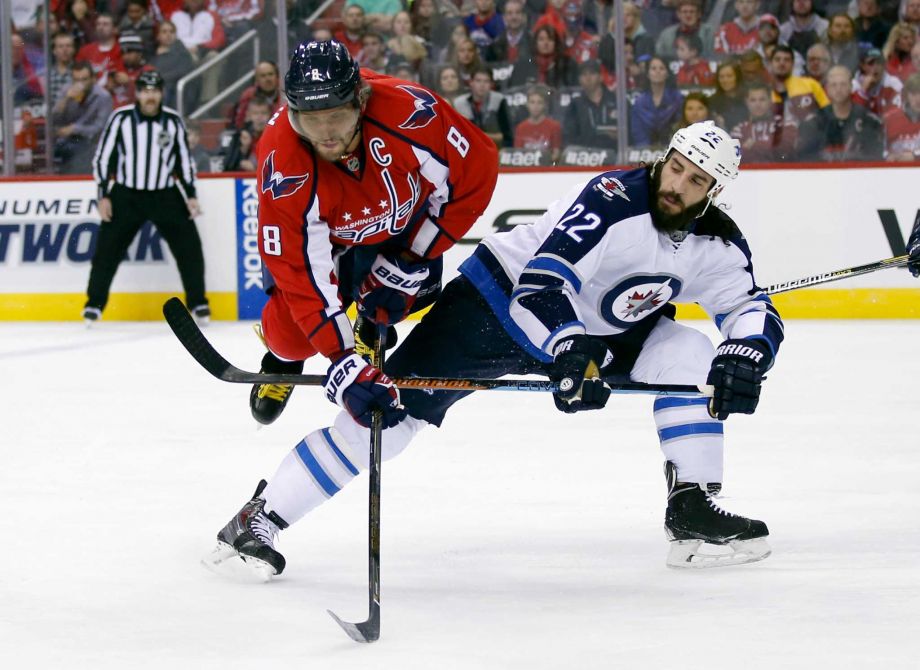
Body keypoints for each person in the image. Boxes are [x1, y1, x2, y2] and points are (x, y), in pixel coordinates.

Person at [208, 120, 784, 579]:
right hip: (495, 305)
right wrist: (570, 349)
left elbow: (749, 306)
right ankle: (260, 519)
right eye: (675, 168)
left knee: (690, 351)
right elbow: (540, 285)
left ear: (714, 192)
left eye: (695, 181)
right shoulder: (614, 198)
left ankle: (692, 510)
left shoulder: (719, 241)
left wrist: (749, 353)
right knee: (388, 420)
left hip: (595, 336)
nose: (676, 186)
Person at [240, 40, 497, 435]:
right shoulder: (283, 157)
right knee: (292, 337)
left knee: (410, 297)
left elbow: (476, 169)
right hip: (332, 244)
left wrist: (413, 256)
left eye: (336, 119)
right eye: (311, 121)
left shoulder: (411, 112)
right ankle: (282, 360)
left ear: (360, 100)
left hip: (401, 231)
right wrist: (340, 359)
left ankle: (365, 325)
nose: (325, 136)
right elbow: (297, 267)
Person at [84, 70, 208, 324]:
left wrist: (191, 195)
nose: (150, 96)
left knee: (190, 248)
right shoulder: (121, 119)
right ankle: (94, 304)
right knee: (107, 250)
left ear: (161, 93)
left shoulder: (173, 121)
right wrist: (103, 195)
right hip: (126, 194)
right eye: (145, 91)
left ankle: (198, 303)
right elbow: (103, 158)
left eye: (154, 91)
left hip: (165, 194)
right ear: (138, 94)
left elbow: (183, 161)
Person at [798, 65, 884, 161]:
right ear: (827, 89)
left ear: (851, 87)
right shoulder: (814, 122)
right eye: (833, 85)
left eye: (843, 84)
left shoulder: (868, 120)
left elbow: (875, 158)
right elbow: (805, 159)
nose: (838, 89)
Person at [52, 60, 114, 174]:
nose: (80, 84)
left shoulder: (103, 97)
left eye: (84, 79)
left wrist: (74, 129)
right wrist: (65, 100)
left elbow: (100, 128)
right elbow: (54, 120)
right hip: (65, 142)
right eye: (76, 80)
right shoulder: (66, 91)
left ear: (92, 79)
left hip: (91, 143)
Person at [731, 79, 798, 162]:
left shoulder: (784, 124)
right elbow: (736, 156)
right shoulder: (739, 129)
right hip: (749, 174)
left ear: (770, 101)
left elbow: (785, 149)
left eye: (762, 99)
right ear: (746, 102)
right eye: (753, 100)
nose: (757, 104)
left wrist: (753, 145)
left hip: (781, 173)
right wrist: (769, 144)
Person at [563, 58, 619, 150]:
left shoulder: (617, 101)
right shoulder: (574, 105)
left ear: (601, 77)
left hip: (616, 158)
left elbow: (630, 134)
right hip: (585, 158)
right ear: (579, 79)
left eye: (592, 74)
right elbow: (569, 138)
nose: (588, 78)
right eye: (584, 75)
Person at [630, 56, 684, 148]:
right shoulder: (639, 103)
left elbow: (681, 127)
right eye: (653, 68)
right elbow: (637, 131)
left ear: (667, 73)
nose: (658, 71)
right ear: (647, 74)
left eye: (662, 68)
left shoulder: (677, 99)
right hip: (645, 152)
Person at [454, 66, 514, 148]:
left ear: (491, 84)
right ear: (471, 83)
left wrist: (477, 136)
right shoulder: (459, 104)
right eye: (478, 81)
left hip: (495, 150)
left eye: (486, 81)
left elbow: (507, 136)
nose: (482, 85)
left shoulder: (499, 100)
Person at [513, 83, 563, 163]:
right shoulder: (521, 127)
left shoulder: (554, 126)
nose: (535, 106)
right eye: (532, 102)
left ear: (545, 105)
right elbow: (517, 153)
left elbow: (556, 153)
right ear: (527, 104)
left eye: (539, 102)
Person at [883, 71, 920, 160]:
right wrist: (888, 156)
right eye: (913, 94)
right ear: (906, 95)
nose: (918, 99)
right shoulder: (889, 119)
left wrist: (915, 156)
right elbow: (879, 150)